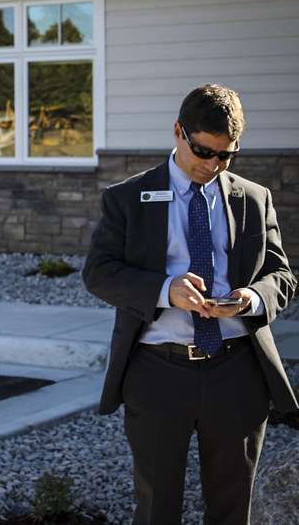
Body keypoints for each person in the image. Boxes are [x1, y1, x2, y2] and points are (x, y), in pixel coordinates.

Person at [83, 84, 296, 524]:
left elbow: (283, 277)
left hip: (237, 370)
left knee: (232, 507)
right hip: (158, 372)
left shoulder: (254, 199)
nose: (212, 164)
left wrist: (251, 298)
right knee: (158, 506)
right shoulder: (127, 198)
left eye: (226, 155)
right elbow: (99, 272)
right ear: (178, 132)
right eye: (203, 151)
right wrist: (165, 290)